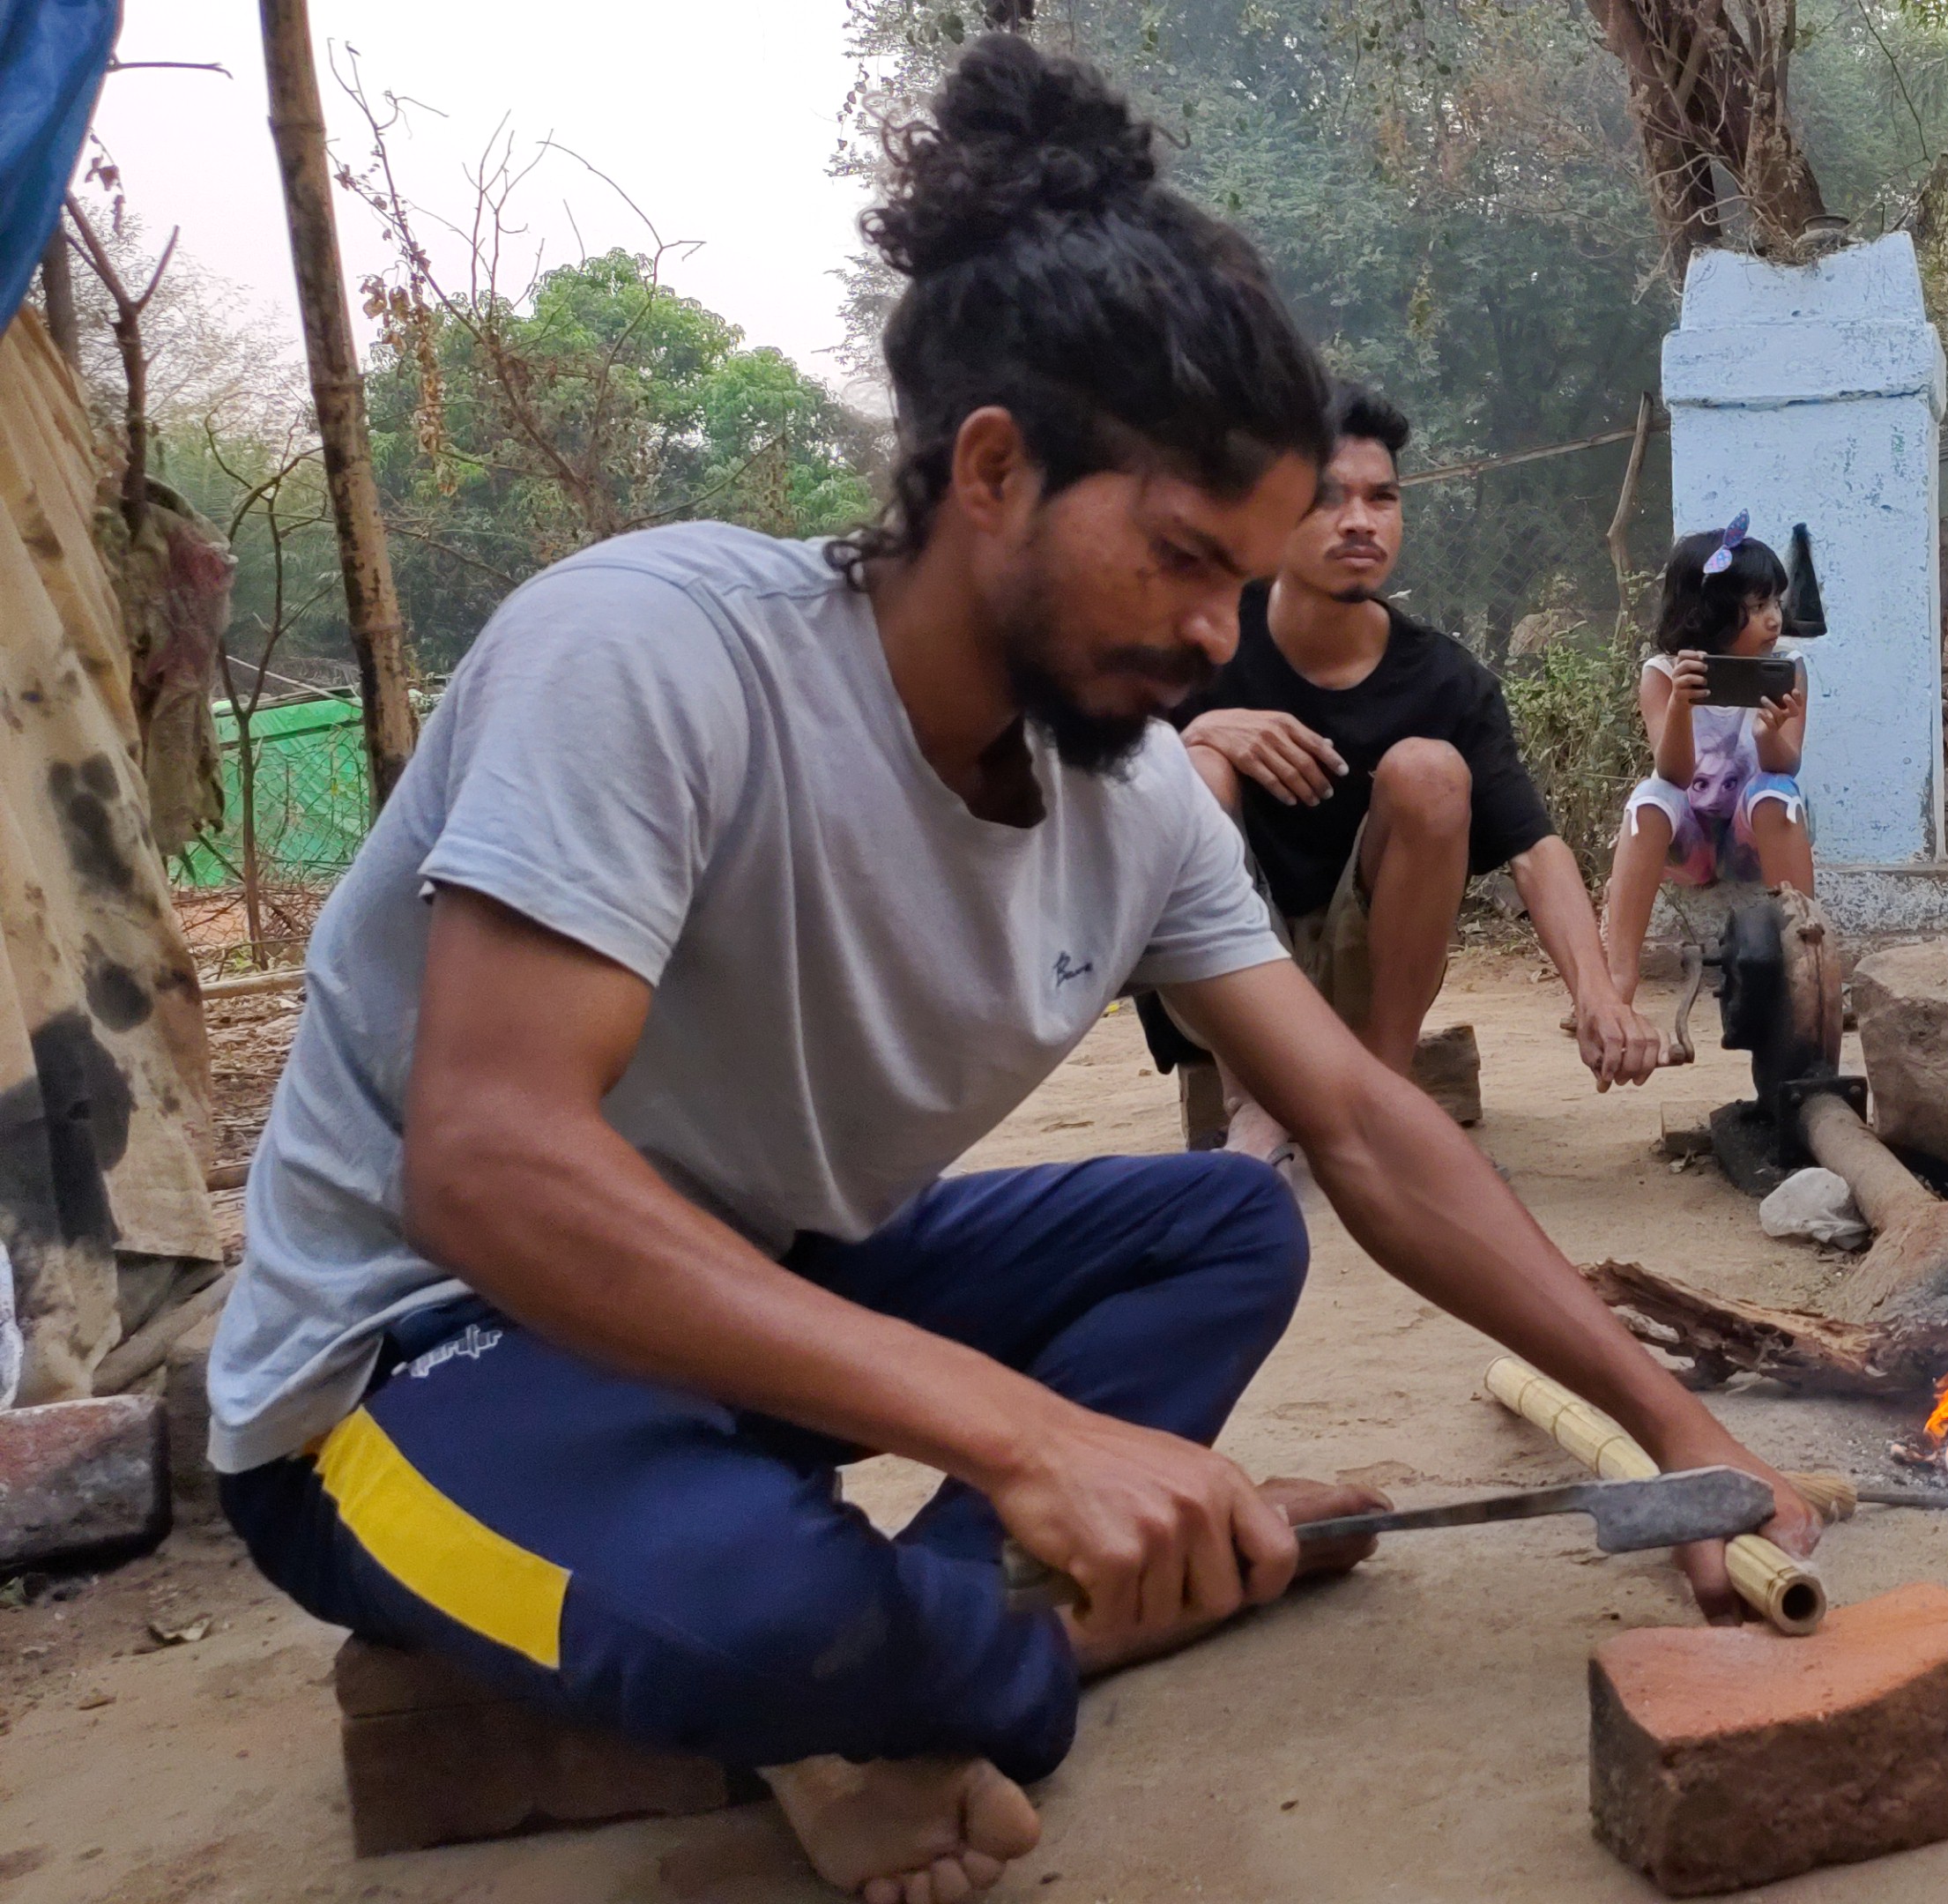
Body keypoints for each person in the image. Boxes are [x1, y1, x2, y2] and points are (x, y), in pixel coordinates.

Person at [199, 38, 1815, 1904]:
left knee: (1225, 1230)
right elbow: (484, 1166)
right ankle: (946, 1667)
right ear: (993, 469)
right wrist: (1026, 1433)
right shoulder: (649, 659)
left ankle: (926, 1646)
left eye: (1252, 571)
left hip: (756, 1301)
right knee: (767, 1610)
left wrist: (1682, 1437)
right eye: (1186, 561)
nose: (1223, 631)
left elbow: (1367, 1124)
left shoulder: (1128, 793)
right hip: (409, 1365)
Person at [1141, 384, 1662, 1160]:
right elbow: (1083, 769)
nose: (1360, 521)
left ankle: (1379, 1092)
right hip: (1221, 978)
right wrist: (1196, 732)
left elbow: (1532, 847)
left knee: (1431, 771)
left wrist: (1594, 990)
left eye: (1382, 498)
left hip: (1369, 974)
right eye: (1327, 499)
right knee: (1195, 766)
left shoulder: (1446, 681)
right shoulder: (1199, 638)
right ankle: (1254, 1099)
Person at [1600, 520, 1818, 1002]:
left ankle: (1807, 969)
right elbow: (1674, 774)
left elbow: (1788, 765)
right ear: (1712, 613)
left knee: (1775, 794)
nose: (1774, 619)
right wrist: (1681, 706)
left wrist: (1768, 735)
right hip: (1691, 849)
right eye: (1757, 606)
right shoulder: (1662, 675)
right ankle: (1616, 984)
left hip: (1752, 845)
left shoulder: (1789, 669)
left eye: (1775, 602)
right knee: (1648, 798)